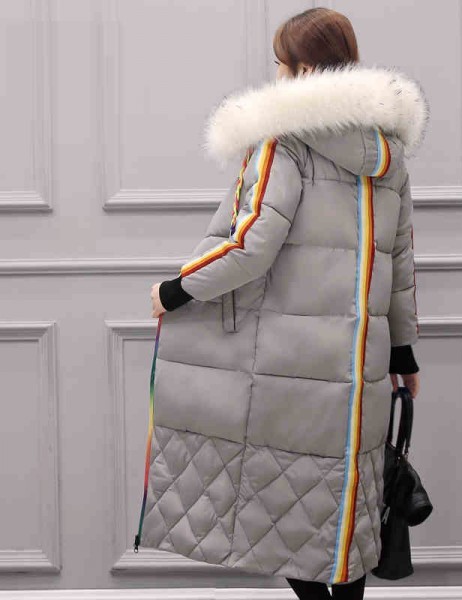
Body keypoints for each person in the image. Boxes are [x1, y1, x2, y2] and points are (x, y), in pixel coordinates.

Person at [143, 6, 428, 597]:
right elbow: (399, 262)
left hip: (287, 368)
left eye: (281, 63)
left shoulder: (284, 140)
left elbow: (250, 245)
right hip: (360, 371)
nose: (275, 75)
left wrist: (174, 289)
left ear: (304, 71)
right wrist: (402, 354)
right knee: (344, 519)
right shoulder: (388, 151)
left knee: (296, 520)